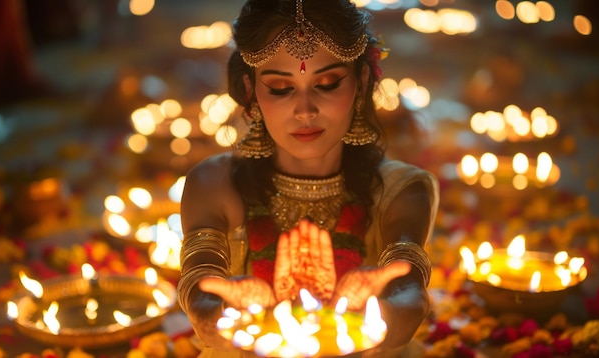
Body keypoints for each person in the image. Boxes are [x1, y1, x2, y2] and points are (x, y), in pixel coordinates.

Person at [177, 0, 439, 356]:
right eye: (281, 89)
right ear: (251, 89)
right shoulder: (214, 185)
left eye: (328, 83)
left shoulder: (401, 191)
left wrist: (390, 309)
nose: (305, 111)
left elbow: (407, 286)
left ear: (361, 82)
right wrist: (220, 311)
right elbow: (200, 284)